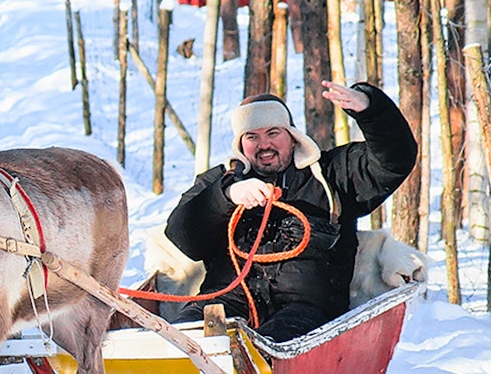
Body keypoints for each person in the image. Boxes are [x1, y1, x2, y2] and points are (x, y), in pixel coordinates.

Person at [164, 81, 417, 342]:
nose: (264, 145)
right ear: (240, 144)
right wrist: (226, 196)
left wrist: (371, 110)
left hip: (306, 312)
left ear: (292, 135)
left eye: (273, 133)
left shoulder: (333, 175)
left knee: (267, 351)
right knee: (176, 342)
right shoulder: (219, 182)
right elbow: (183, 236)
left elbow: (394, 159)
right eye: (252, 137)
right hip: (225, 301)